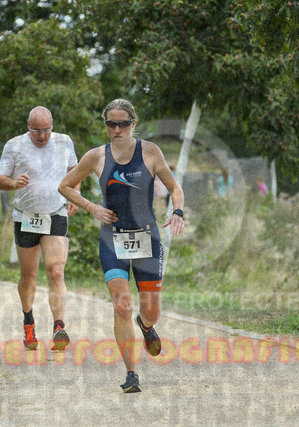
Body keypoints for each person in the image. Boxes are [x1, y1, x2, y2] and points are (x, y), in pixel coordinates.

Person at [58, 99, 185, 393]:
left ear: (133, 124)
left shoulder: (150, 152)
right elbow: (64, 185)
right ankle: (131, 373)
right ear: (106, 125)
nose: (117, 130)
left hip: (147, 238)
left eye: (123, 124)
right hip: (112, 239)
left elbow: (175, 187)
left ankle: (146, 325)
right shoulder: (95, 156)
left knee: (151, 311)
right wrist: (92, 207)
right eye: (111, 124)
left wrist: (177, 212)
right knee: (122, 304)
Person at [0, 106, 80, 352]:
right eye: (36, 131)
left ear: (53, 125)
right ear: (28, 126)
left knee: (56, 271)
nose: (42, 136)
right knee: (29, 275)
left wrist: (75, 194)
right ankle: (29, 322)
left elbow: (74, 172)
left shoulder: (64, 142)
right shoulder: (14, 145)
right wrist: (14, 183)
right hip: (26, 217)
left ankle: (58, 327)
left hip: (55, 213)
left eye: (46, 130)